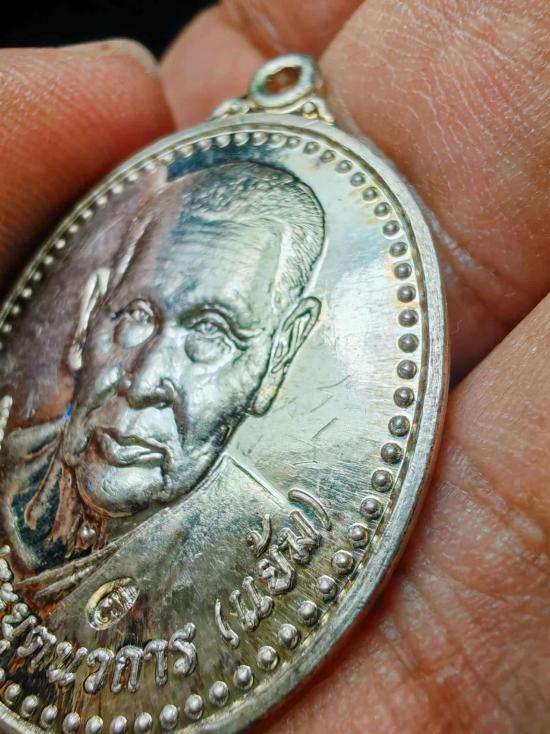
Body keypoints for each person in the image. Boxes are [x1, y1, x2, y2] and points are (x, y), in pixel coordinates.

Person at [0, 1, 548, 728]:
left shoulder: (252, 555)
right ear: (90, 315)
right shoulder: (13, 468)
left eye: (211, 335)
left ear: (277, 358)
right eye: (136, 317)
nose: (146, 378)